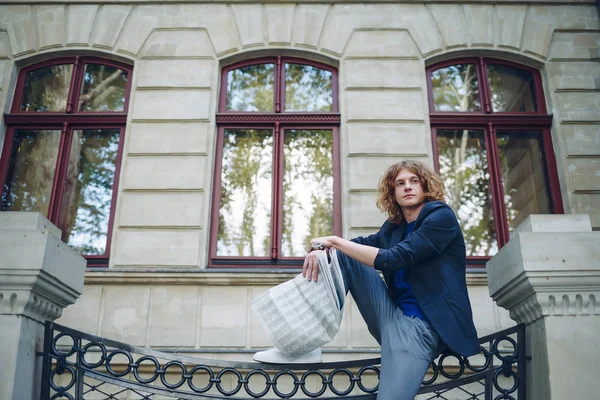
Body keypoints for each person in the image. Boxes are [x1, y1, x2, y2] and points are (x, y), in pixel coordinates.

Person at [303, 160, 479, 400]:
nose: (407, 187)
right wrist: (322, 249)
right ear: (393, 193)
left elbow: (396, 258)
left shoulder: (441, 217)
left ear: (425, 186)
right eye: (400, 183)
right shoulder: (393, 228)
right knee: (344, 255)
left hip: (420, 327)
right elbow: (359, 246)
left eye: (414, 181)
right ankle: (305, 341)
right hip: (390, 315)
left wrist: (333, 241)